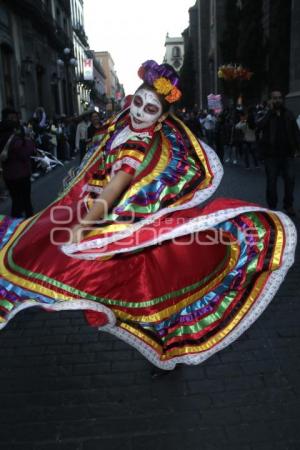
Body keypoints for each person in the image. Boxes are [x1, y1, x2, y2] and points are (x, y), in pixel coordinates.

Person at [0, 61, 297, 371]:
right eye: (138, 102)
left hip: (108, 221)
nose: (140, 112)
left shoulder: (136, 144)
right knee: (145, 280)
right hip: (111, 217)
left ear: (162, 117)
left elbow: (115, 187)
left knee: (70, 268)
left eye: (150, 109)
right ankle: (161, 331)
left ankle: (162, 331)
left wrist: (84, 226)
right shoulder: (123, 123)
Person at [256, 90, 300, 216]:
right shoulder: (267, 114)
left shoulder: (289, 114)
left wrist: (298, 148)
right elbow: (258, 126)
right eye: (274, 98)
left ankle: (288, 205)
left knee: (290, 180)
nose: (277, 100)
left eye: (279, 98)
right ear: (271, 100)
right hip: (271, 155)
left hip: (287, 154)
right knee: (271, 181)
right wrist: (270, 112)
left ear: (283, 100)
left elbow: (296, 132)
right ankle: (272, 207)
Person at [1, 118, 36, 217]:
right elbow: (25, 154)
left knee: (15, 199)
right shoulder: (16, 140)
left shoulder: (2, 139)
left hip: (8, 175)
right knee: (26, 200)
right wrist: (29, 141)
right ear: (14, 129)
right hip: (21, 174)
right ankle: (29, 223)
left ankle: (14, 224)